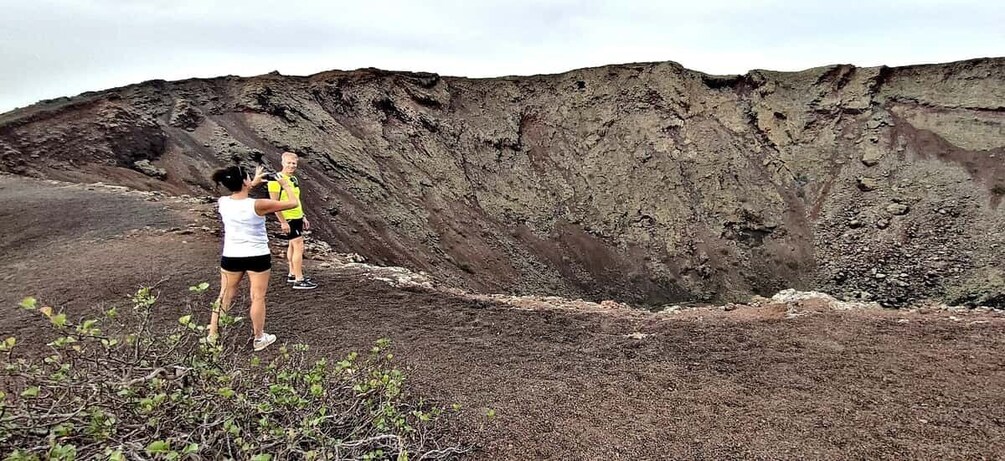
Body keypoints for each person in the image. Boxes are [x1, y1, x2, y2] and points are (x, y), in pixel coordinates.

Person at [208, 164, 299, 351]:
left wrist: (253, 181)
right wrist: (286, 185)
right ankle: (259, 338)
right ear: (244, 182)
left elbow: (240, 193)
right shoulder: (259, 205)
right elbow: (292, 203)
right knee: (257, 297)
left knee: (224, 295)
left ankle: (213, 335)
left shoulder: (223, 202)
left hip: (232, 255)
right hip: (257, 255)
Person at [267, 152, 318, 290]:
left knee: (292, 245)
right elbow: (274, 203)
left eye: (294, 163)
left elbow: (296, 200)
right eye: (289, 163)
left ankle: (292, 273)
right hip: (288, 217)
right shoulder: (276, 181)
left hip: (296, 216)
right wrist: (283, 222)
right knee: (298, 246)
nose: (291, 165)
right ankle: (299, 279)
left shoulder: (293, 179)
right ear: (282, 162)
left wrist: (303, 216)